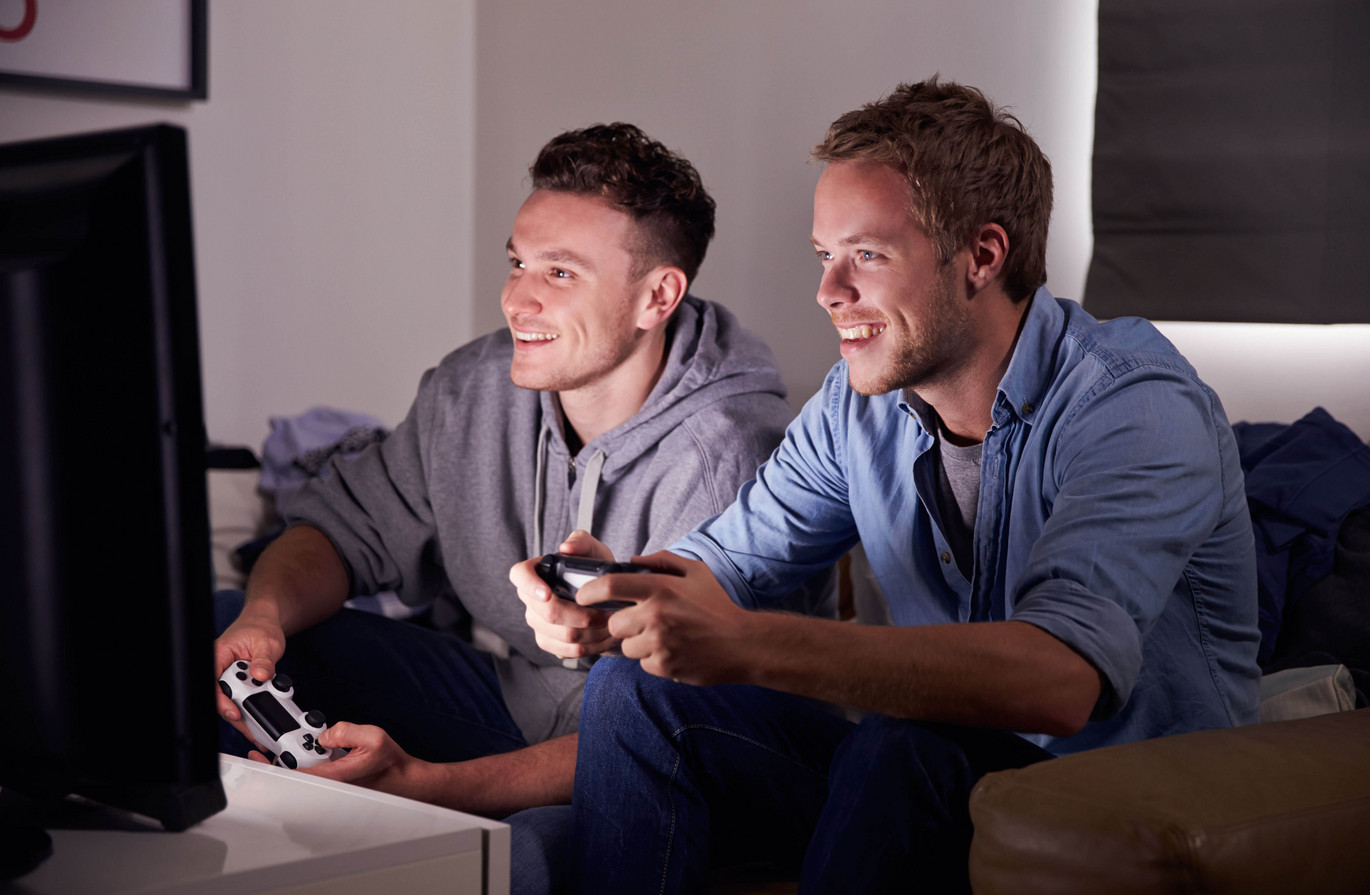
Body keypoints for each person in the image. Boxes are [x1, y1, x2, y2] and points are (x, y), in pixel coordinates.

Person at [512, 78, 1261, 893]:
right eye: (824, 256)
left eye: (866, 255)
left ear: (981, 255)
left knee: (901, 745)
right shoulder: (861, 405)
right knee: (634, 689)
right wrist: (613, 595)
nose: (830, 291)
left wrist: (752, 645)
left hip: (1123, 800)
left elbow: (1061, 678)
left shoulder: (1134, 401)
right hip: (932, 777)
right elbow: (725, 562)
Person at [212, 123, 803, 890]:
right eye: (519, 262)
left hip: (675, 764)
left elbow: (672, 724)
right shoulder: (475, 387)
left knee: (527, 853)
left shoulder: (728, 453)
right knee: (225, 624)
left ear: (658, 296)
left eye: (559, 273)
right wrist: (263, 614)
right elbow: (339, 529)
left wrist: (429, 785)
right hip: (523, 702)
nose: (517, 297)